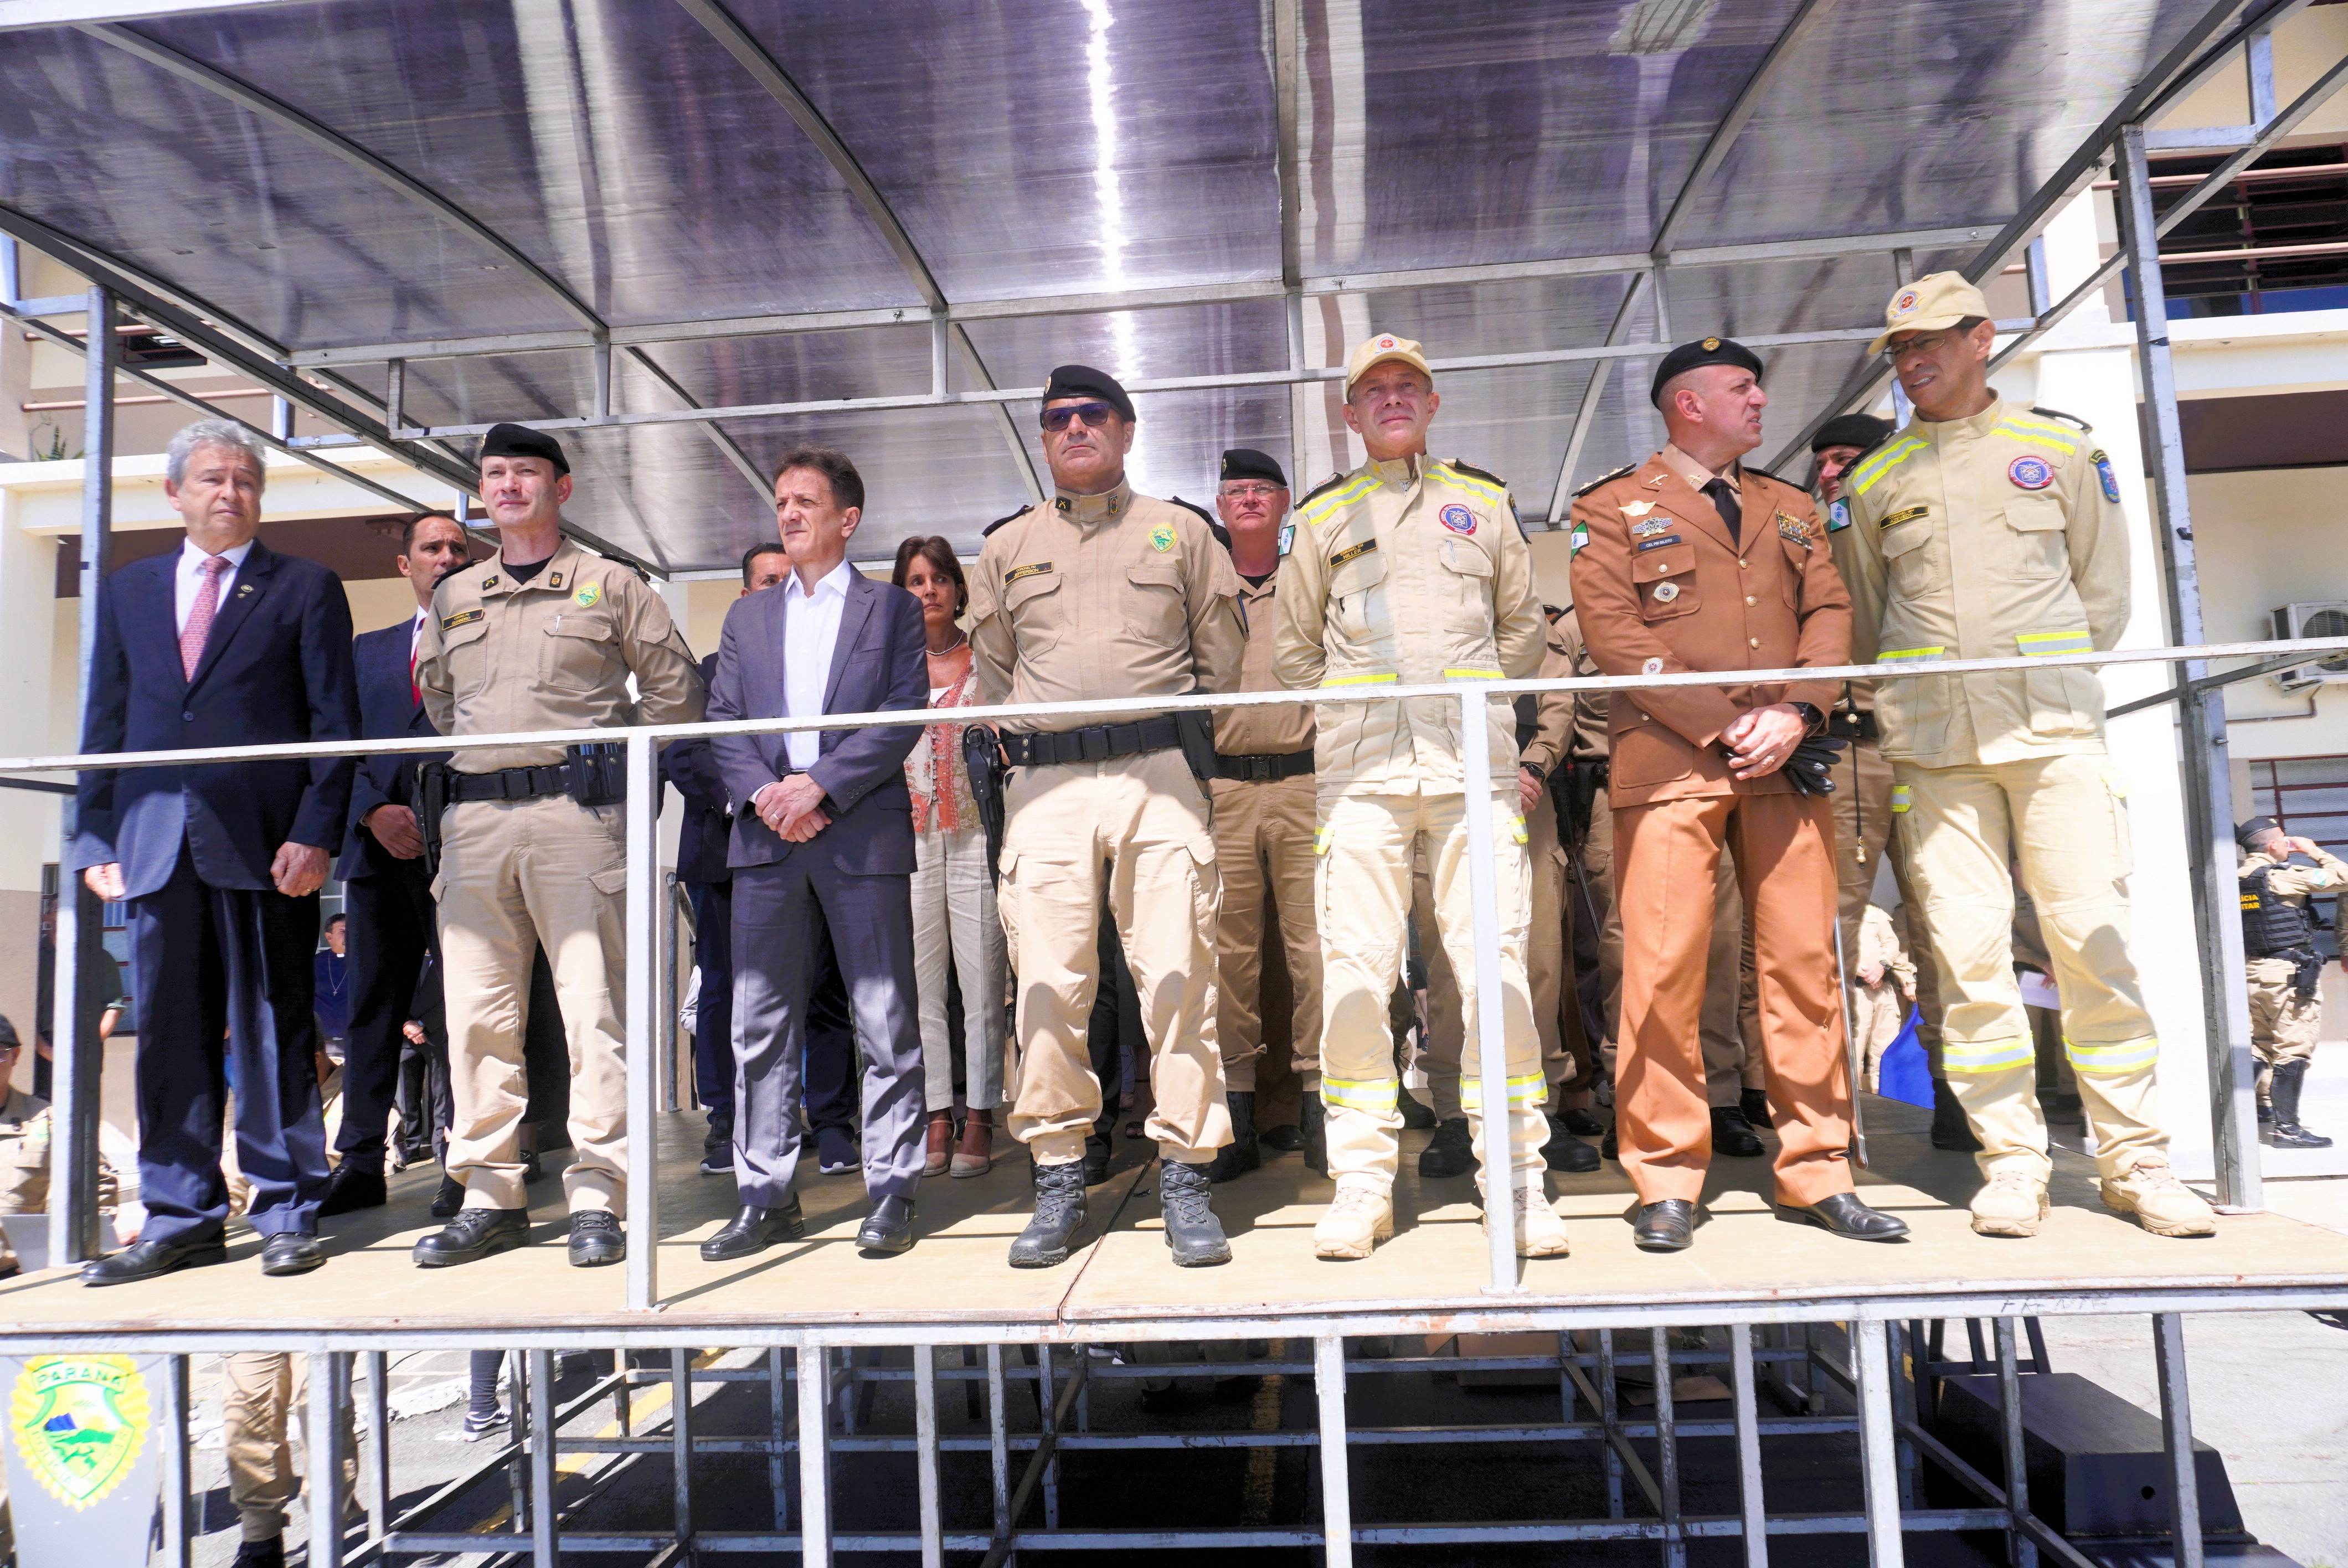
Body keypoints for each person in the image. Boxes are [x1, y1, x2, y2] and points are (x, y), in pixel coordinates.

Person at [1837, 271, 2215, 1239]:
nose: (1912, 362)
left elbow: (2105, 597)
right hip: (1937, 751)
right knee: (1968, 961)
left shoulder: (2062, 451)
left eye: (1930, 343)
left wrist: (2040, 680)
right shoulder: (1876, 483)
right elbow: (1868, 625)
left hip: (2053, 739)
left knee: (2093, 942)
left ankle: (2138, 1161)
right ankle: (2011, 1161)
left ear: (1982, 338)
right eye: (1900, 351)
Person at [1571, 336, 1907, 1253]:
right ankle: (1665, 1178)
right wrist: (1725, 722)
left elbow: (1831, 610)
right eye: (1741, 388)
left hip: (1785, 759)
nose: (1760, 400)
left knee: (1804, 964)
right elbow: (1613, 632)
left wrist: (1798, 710)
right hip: (1674, 762)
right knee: (1665, 967)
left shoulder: (1790, 506)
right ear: (1688, 404)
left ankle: (1819, 1170)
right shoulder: (1611, 506)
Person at [1274, 332, 1563, 1262]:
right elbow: (1294, 654)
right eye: (1375, 390)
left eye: (1409, 386)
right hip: (1361, 777)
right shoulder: (1322, 518)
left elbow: (1522, 631)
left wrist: (1464, 700)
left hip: (1471, 766)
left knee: (1495, 972)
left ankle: (1515, 1182)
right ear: (1351, 413)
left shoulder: (1484, 503)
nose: (1392, 399)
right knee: (1357, 977)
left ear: (1432, 404)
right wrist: (1363, 708)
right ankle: (1362, 1185)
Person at [969, 364, 1246, 1270]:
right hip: (1045, 783)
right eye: (1058, 418)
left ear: (1127, 431)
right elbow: (997, 671)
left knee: (1179, 976)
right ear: (1045, 438)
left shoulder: (1182, 531)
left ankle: (1186, 1175)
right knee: (1048, 986)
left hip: (1156, 770)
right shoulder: (1007, 546)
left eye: (1093, 415)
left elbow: (1220, 659)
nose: (1075, 428)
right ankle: (1058, 1174)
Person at [410, 424, 705, 1269]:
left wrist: (607, 760)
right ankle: (490, 1193)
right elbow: (440, 701)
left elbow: (677, 695)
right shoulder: (455, 595)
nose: (508, 485)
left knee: (594, 1011)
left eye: (526, 472)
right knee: (476, 1018)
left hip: (577, 820)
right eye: (495, 474)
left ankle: (599, 1195)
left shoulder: (610, 584)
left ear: (561, 488)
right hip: (475, 824)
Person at [73, 418, 358, 1285]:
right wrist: (93, 832)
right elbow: (105, 719)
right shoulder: (129, 590)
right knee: (168, 1033)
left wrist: (316, 830)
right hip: (154, 841)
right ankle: (181, 1214)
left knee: (272, 1026)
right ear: (174, 493)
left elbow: (334, 724)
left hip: (267, 845)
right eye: (211, 479)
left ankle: (286, 1208)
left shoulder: (304, 586)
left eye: (244, 480)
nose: (230, 492)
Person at [703, 448, 928, 1261]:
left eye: (806, 500)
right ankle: (764, 1196)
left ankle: (893, 1188)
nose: (790, 513)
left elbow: (902, 712)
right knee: (759, 1022)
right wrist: (772, 796)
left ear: (848, 518)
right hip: (767, 839)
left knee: (883, 1018)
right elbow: (722, 720)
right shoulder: (747, 618)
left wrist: (821, 788)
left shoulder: (891, 609)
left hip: (860, 834)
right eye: (782, 501)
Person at [1814, 414, 1974, 1152]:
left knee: (1947, 921)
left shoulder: (1932, 528)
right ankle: (1832, 1109)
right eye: (1822, 462)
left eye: (1842, 459)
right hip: (1849, 751)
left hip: (1933, 743)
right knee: (1832, 932)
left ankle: (1957, 1093)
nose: (1828, 473)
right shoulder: (1811, 539)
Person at [321, 512, 472, 1218]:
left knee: (467, 1009)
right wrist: (371, 813)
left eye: (457, 548)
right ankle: (359, 1161)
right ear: (405, 565)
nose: (446, 557)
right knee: (371, 1009)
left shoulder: (487, 640)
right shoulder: (367, 650)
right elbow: (334, 743)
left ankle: (466, 1160)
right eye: (431, 547)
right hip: (376, 855)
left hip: (464, 849)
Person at [1415, 606, 1603, 1176]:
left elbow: (1556, 704)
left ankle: (1534, 1110)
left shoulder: (1526, 620)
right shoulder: (1417, 614)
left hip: (1522, 793)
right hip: (1436, 790)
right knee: (1448, 962)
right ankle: (1454, 1114)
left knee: (1537, 957)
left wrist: (1533, 767)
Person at [1202, 448, 1323, 1183]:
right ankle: (1236, 1120)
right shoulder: (1202, 583)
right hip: (1224, 788)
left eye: (1261, 490)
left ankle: (1320, 1110)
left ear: (1284, 503)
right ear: (1220, 507)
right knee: (1229, 958)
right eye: (1235, 491)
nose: (1248, 499)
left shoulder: (1312, 578)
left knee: (1318, 952)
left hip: (1306, 782)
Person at [662, 542, 791, 1177]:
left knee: (799, 985)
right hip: (721, 853)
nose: (780, 591)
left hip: (798, 847)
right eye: (767, 581)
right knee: (722, 986)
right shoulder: (706, 672)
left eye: (789, 580)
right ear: (744, 595)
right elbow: (682, 754)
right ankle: (724, 1117)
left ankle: (795, 1114)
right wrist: (751, 798)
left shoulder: (816, 669)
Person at [892, 535, 1006, 1179]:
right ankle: (936, 1113)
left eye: (938, 579)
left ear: (959, 589)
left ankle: (982, 1113)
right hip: (907, 838)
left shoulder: (988, 659)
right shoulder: (890, 668)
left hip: (975, 833)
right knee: (920, 983)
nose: (929, 590)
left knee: (983, 979)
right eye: (915, 580)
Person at [2237, 816, 2344, 1149]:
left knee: (2260, 1046)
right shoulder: (2283, 876)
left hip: (2251, 973)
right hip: (2285, 975)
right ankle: (2288, 1130)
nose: (2289, 844)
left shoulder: (2236, 877)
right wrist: (2314, 851)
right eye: (2284, 839)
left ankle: (2234, 1117)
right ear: (2273, 844)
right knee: (2293, 1049)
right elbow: (2343, 877)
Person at [0, 1017, 121, 1280]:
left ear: (15, 1056)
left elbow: (96, 1186)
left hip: (19, 1275)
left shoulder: (50, 1119)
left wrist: (55, 1254)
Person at [219, 1350, 357, 1568]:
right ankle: (262, 1547)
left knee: (324, 1420)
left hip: (321, 1328)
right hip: (254, 1328)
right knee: (245, 1422)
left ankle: (327, 1545)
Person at [1850, 902, 1916, 1092]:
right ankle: (1857, 1103)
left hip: (1883, 988)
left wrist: (1882, 966)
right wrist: (1862, 972)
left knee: (1886, 1052)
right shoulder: (1830, 909)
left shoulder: (1874, 909)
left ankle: (1885, 1098)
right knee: (1854, 1054)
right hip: (1854, 990)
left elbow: (1892, 943)